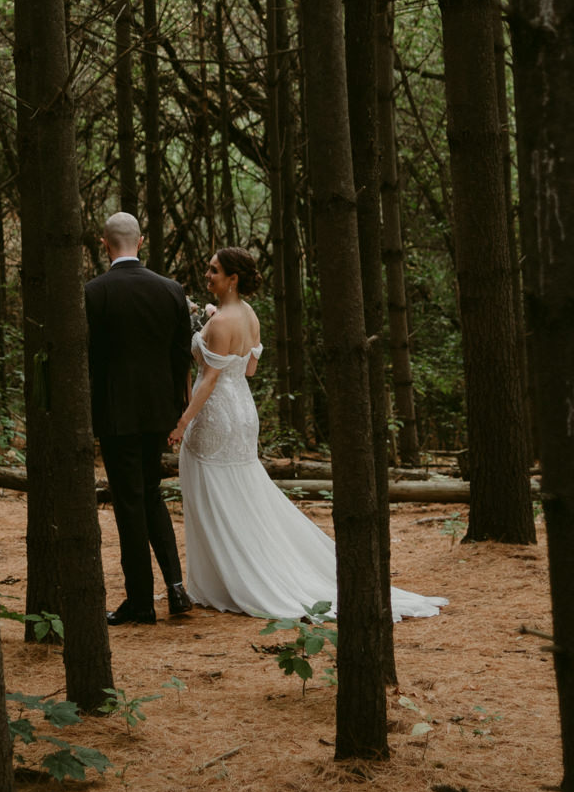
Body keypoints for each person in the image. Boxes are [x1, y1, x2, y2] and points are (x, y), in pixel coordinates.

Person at [172, 246, 446, 623]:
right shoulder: (248, 316)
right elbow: (249, 369)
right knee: (238, 492)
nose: (208, 276)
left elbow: (209, 378)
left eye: (214, 271)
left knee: (212, 493)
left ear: (232, 279)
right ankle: (231, 574)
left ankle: (222, 581)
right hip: (243, 412)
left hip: (215, 414)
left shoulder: (219, 323)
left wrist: (184, 421)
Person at [83, 212, 194, 625]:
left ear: (103, 243)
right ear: (141, 241)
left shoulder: (94, 292)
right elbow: (180, 354)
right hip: (159, 412)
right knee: (150, 494)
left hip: (116, 415)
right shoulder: (171, 290)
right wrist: (175, 412)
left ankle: (141, 601)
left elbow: (90, 359)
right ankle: (176, 587)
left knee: (129, 502)